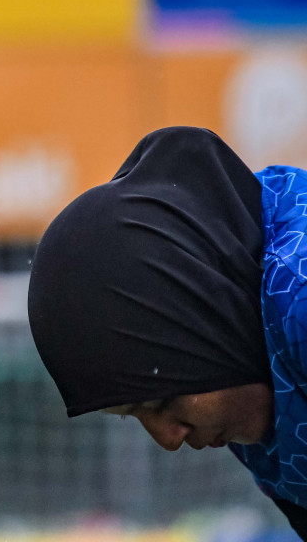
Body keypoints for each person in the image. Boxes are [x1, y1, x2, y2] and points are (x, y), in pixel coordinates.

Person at [28, 126, 307, 537]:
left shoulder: (296, 295)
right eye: (133, 417)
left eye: (162, 402)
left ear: (204, 321)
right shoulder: (243, 332)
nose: (168, 439)